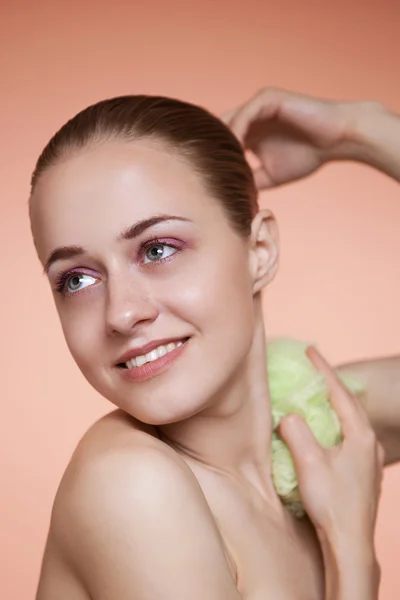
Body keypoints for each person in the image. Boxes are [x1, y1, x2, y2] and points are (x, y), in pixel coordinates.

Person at [30, 88, 398, 600]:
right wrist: (351, 552)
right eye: (77, 279)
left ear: (260, 251)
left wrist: (363, 132)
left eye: (157, 249)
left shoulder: (302, 426)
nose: (121, 312)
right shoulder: (130, 485)